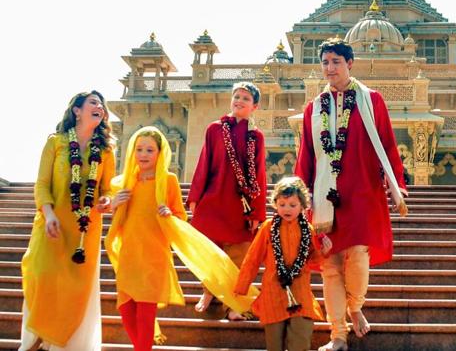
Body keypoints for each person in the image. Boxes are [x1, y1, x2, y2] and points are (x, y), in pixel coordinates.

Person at [295, 38, 408, 351]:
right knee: (330, 268)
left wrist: (395, 180)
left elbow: (386, 144)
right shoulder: (313, 108)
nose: (330, 68)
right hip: (323, 195)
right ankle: (337, 335)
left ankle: (355, 305)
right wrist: (298, 193)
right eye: (326, 62)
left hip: (361, 193)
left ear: (350, 64)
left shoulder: (371, 100)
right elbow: (306, 154)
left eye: (336, 62)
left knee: (358, 256)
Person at [105, 127, 259, 350]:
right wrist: (113, 203)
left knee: (146, 312)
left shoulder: (168, 180)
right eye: (139, 149)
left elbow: (180, 215)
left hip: (154, 254)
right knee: (126, 309)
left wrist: (169, 214)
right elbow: (110, 210)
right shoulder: (123, 183)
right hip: (129, 254)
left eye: (150, 149)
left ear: (160, 153)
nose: (144, 154)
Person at [20, 90, 116, 351]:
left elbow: (107, 189)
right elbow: (41, 185)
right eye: (93, 103)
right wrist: (49, 214)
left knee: (74, 291)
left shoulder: (106, 151)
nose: (99, 107)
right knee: (41, 276)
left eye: (101, 104)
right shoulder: (56, 142)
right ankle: (35, 339)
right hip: (51, 224)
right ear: (77, 110)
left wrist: (107, 200)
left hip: (85, 232)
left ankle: (55, 343)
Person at [187, 82, 267, 320]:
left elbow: (260, 175)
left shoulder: (256, 136)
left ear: (255, 106)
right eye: (236, 96)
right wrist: (195, 198)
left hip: (241, 206)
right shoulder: (214, 129)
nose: (239, 101)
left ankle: (233, 305)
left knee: (239, 257)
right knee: (211, 252)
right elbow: (204, 163)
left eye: (245, 98)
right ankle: (208, 291)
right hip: (214, 200)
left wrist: (257, 213)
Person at [235, 176, 332, 351]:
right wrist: (241, 287)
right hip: (273, 291)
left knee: (300, 339)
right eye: (282, 204)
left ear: (302, 205)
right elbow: (253, 259)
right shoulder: (267, 227)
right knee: (274, 344)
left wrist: (324, 251)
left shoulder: (308, 229)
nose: (286, 209)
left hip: (300, 291)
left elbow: (313, 259)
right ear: (275, 204)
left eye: (292, 205)